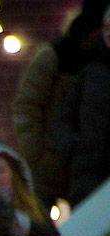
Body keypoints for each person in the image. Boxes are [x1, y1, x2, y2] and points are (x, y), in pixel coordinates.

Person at [13, 1, 110, 209]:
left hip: (84, 169)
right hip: (54, 168)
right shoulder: (56, 56)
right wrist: (40, 158)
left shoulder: (97, 63)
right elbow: (27, 106)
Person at [58, 6, 110, 206]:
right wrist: (72, 148)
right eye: (106, 27)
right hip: (88, 176)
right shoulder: (89, 71)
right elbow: (65, 116)